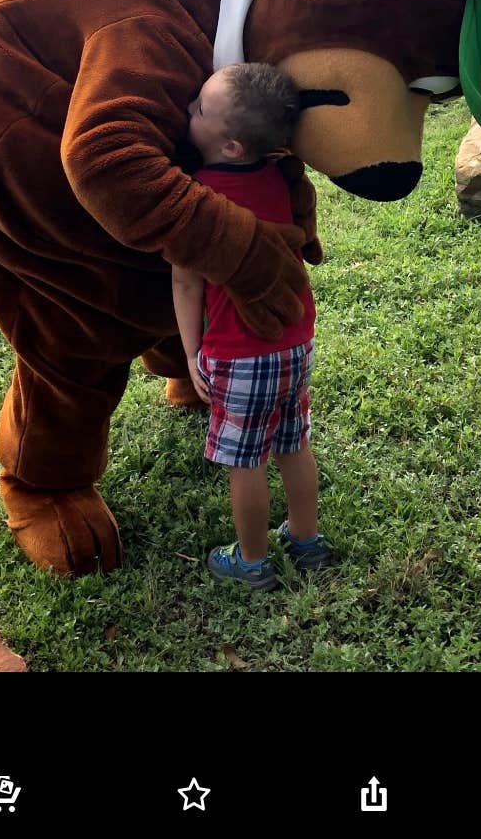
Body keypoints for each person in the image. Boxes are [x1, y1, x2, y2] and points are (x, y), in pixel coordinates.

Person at [171, 62, 333, 591]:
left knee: (245, 461)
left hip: (238, 355)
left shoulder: (196, 199)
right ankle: (306, 540)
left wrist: (192, 353)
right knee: (293, 444)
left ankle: (251, 559)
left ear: (232, 146)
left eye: (199, 109)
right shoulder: (281, 176)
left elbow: (187, 285)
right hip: (295, 344)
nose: (187, 111)